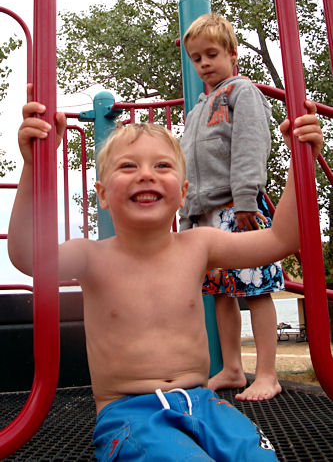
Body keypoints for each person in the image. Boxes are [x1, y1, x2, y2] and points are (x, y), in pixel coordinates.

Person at [8, 84, 322, 461]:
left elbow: (281, 239)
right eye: (128, 166)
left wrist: (299, 162)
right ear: (103, 194)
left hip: (205, 405)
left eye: (162, 166)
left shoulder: (199, 245)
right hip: (130, 413)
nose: (146, 175)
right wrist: (34, 164)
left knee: (257, 456)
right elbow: (28, 256)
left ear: (183, 191)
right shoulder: (90, 257)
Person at [179, 13, 284, 401]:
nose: (204, 63)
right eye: (196, 58)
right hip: (206, 216)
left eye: (211, 54)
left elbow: (250, 145)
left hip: (237, 207)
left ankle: (268, 373)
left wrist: (245, 199)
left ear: (232, 53)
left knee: (256, 289)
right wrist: (188, 215)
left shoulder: (242, 92)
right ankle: (233, 367)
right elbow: (188, 166)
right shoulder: (195, 112)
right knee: (221, 293)